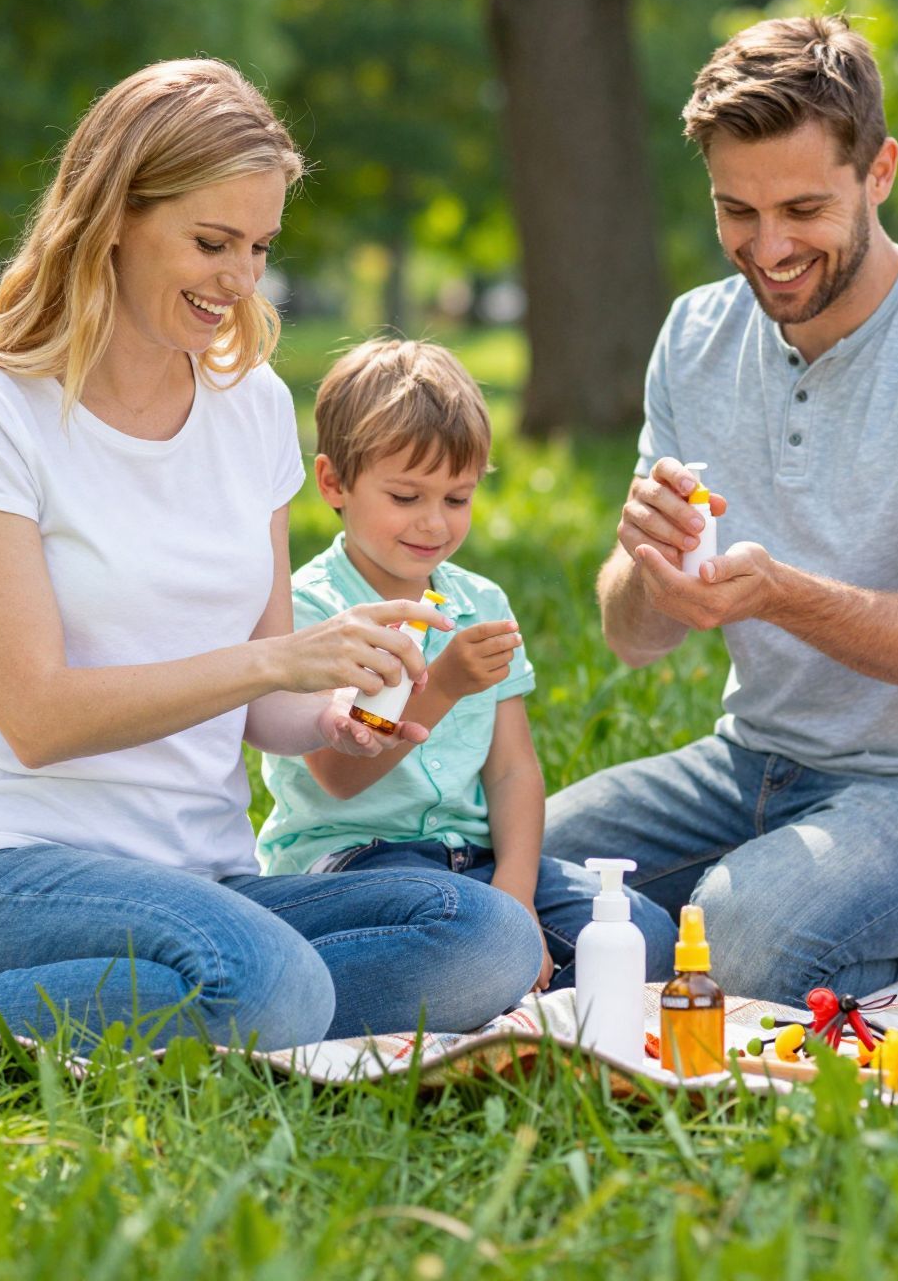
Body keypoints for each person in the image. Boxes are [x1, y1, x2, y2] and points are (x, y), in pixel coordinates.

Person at [0, 59, 537, 1050]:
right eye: (211, 242)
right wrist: (276, 662)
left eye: (259, 246)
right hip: (15, 865)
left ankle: (207, 995)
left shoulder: (248, 408)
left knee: (486, 939)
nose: (240, 281)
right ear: (113, 215)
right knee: (267, 983)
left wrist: (333, 711)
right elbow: (34, 716)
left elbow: (267, 710)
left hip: (203, 877)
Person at [542, 15, 898, 1005]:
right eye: (735, 211)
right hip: (751, 762)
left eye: (801, 207)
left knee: (739, 937)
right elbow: (627, 637)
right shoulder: (695, 335)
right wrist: (651, 572)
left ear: (878, 173)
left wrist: (776, 595)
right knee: (512, 864)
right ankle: (683, 936)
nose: (768, 247)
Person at [255, 338, 676, 987]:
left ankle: (491, 990)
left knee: (641, 931)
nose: (433, 523)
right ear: (334, 483)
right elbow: (338, 775)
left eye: (456, 499)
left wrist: (516, 891)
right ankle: (465, 977)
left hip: (469, 860)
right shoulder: (312, 609)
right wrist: (443, 684)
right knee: (469, 930)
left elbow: (512, 771)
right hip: (355, 864)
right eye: (405, 497)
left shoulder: (481, 602)